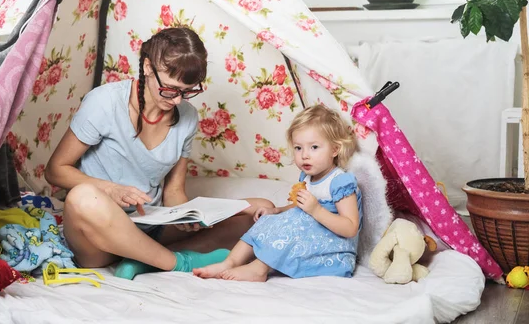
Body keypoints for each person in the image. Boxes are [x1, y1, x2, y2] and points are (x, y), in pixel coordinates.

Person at [45, 27, 274, 280]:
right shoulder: (104, 103)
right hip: (100, 234)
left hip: (151, 225)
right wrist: (110, 189)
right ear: (146, 67)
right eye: (170, 89)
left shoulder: (187, 117)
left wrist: (186, 217)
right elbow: (55, 170)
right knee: (83, 198)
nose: (177, 101)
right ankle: (176, 262)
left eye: (188, 91)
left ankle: (146, 260)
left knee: (260, 210)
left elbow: (174, 191)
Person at [194, 104, 362, 282]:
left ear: (335, 149)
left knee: (298, 220)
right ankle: (230, 262)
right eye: (298, 148)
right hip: (309, 234)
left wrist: (316, 211)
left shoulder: (339, 182)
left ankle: (259, 268)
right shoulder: (307, 177)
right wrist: (277, 211)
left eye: (314, 147)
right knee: (270, 219)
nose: (304, 155)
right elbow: (299, 207)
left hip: (333, 247)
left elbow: (350, 227)